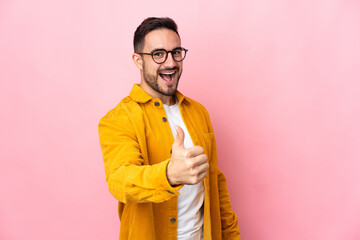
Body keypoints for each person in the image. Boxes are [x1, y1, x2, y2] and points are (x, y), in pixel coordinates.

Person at [98, 17, 241, 240]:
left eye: (176, 52)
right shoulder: (119, 118)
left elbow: (215, 182)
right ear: (138, 60)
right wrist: (169, 175)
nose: (170, 62)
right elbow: (120, 180)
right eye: (158, 54)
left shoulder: (198, 112)